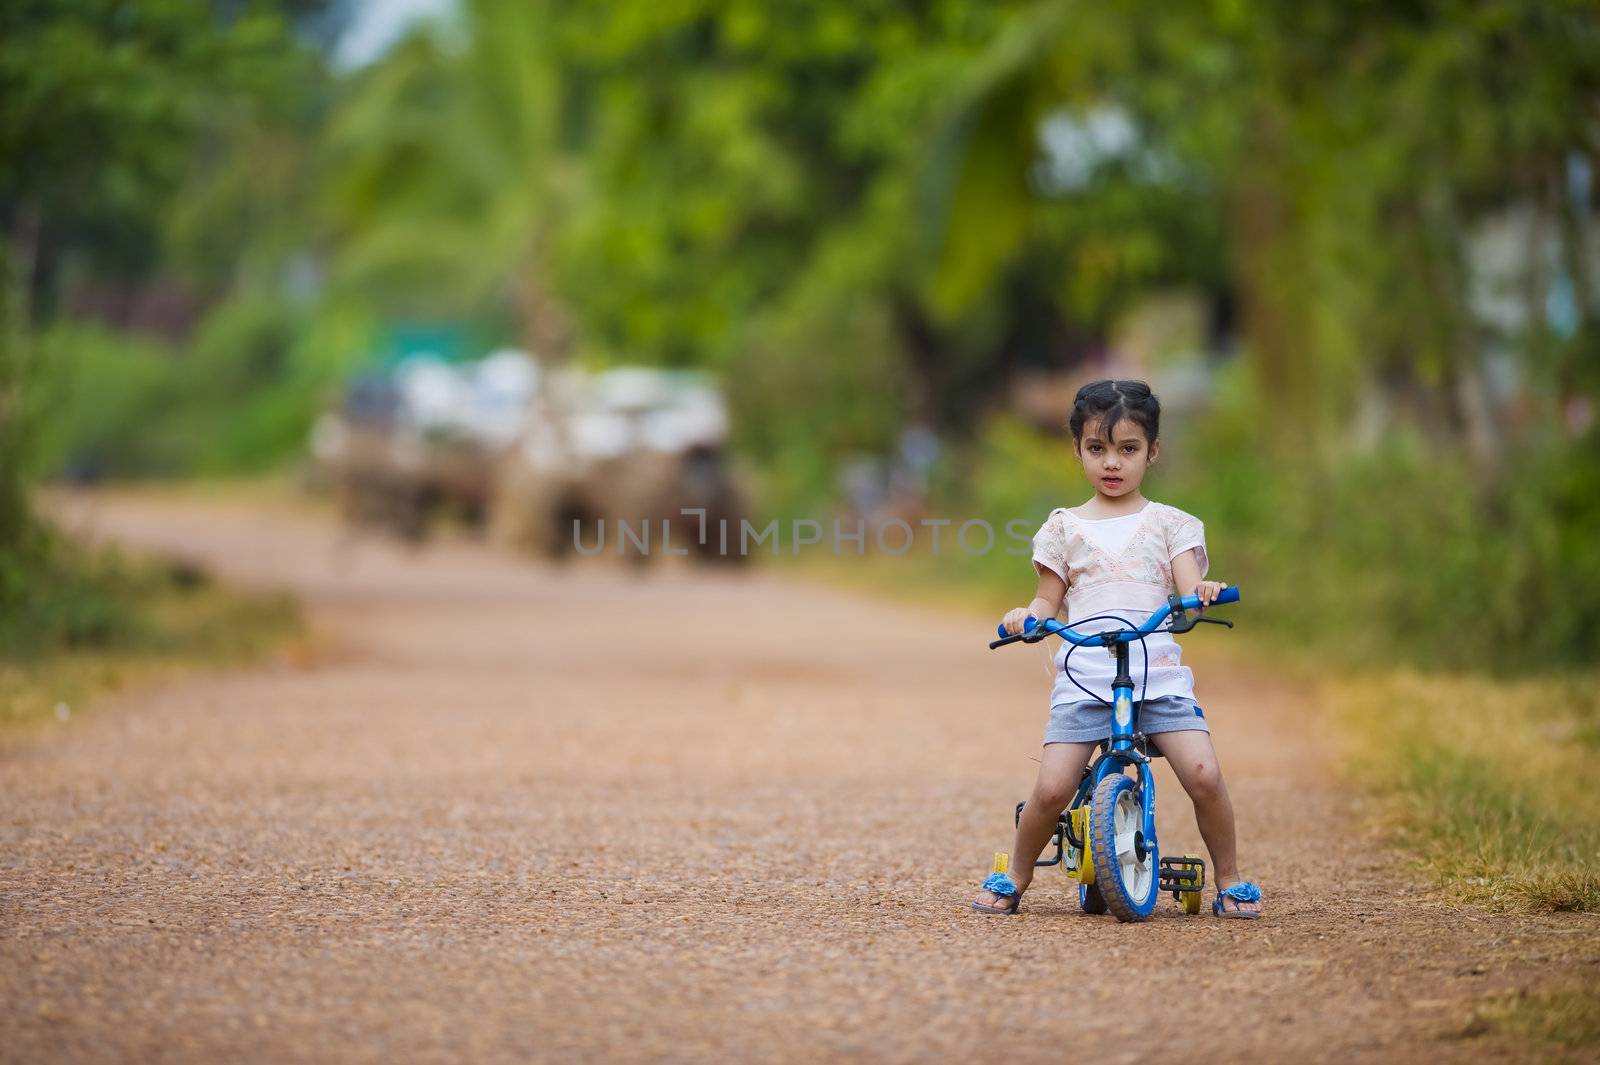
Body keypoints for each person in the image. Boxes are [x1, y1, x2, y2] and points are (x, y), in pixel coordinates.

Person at [970, 379, 1263, 918]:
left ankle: (1231, 878)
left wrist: (1200, 593)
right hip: (1086, 677)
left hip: (1157, 677)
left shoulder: (1171, 524)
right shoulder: (1064, 527)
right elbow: (1046, 601)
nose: (1112, 463)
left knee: (1204, 774)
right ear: (1078, 450)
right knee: (1054, 788)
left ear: (1152, 452)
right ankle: (1015, 873)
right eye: (1097, 449)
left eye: (1128, 449)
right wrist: (1026, 619)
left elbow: (1186, 596)